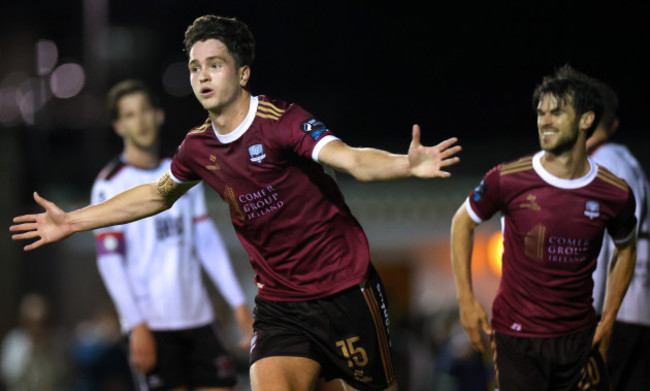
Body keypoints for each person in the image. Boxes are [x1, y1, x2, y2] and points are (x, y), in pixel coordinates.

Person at [10, 14, 461, 391]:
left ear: (242, 73)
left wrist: (406, 164)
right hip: (280, 306)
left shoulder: (282, 121)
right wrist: (71, 221)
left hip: (344, 290)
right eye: (194, 67)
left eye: (214, 65)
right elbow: (155, 195)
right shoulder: (196, 148)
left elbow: (350, 160)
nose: (202, 76)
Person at [449, 64, 637, 391]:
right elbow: (461, 222)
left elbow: (627, 248)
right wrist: (466, 299)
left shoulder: (615, 192)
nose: (544, 121)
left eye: (557, 112)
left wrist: (608, 320)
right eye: (540, 113)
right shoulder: (506, 179)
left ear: (586, 119)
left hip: (580, 339)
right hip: (517, 340)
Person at [90, 79, 254, 391]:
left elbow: (206, 242)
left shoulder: (181, 173)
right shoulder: (108, 185)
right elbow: (110, 263)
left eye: (145, 111)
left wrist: (238, 303)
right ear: (118, 126)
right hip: (152, 326)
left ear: (159, 115)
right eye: (129, 115)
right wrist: (136, 325)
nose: (140, 121)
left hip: (199, 319)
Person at [585, 77, 650, 391]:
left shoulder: (602, 164)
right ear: (614, 124)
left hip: (617, 309)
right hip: (639, 306)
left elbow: (606, 244)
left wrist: (594, 314)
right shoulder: (628, 160)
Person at [0, 292, 71, 391]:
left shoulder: (57, 340)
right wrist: (28, 352)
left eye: (42, 322)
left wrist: (49, 352)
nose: (37, 328)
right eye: (32, 323)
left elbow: (63, 374)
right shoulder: (15, 341)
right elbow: (10, 376)